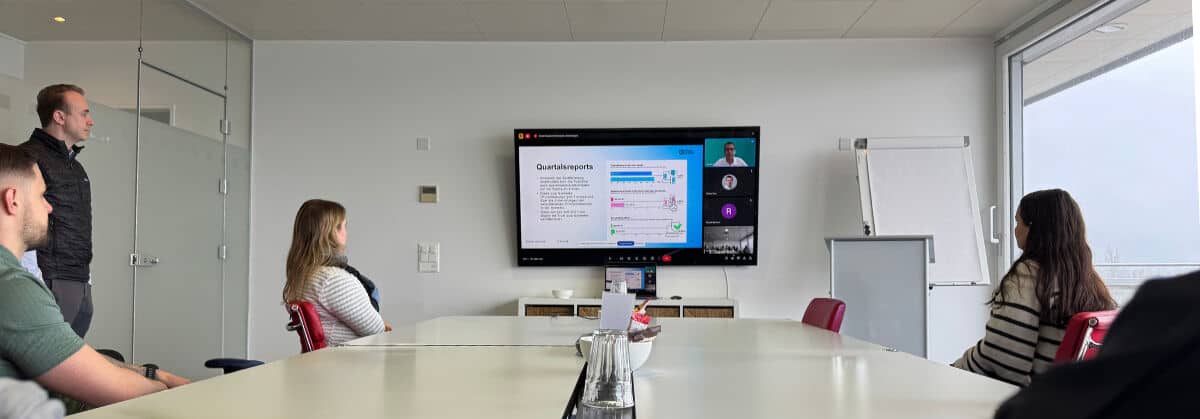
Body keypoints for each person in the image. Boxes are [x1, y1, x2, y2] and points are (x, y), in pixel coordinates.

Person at [0, 145, 189, 410]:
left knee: (111, 358)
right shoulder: (13, 288)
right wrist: (171, 392)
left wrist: (152, 373)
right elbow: (127, 394)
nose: (49, 207)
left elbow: (69, 353)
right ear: (13, 200)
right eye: (42, 195)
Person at [952, 189, 1116, 387]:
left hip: (1032, 399)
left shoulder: (1028, 277)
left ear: (1034, 228)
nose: (1015, 230)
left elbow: (1000, 357)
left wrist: (953, 370)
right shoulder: (1089, 282)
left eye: (1018, 222)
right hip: (1070, 397)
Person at [993, 270, 1200, 419]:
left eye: (1018, 224)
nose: (1015, 230)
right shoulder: (1089, 278)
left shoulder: (1169, 303)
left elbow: (1005, 362)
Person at [19, 84, 95, 338]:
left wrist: (87, 280)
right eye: (84, 113)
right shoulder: (27, 157)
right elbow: (20, 223)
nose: (90, 121)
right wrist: (34, 281)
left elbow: (78, 225)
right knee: (41, 359)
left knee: (70, 360)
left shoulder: (77, 168)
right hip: (48, 281)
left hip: (79, 283)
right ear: (60, 117)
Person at [283, 199, 390, 346]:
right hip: (348, 358)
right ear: (332, 232)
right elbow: (376, 330)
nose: (346, 232)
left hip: (329, 357)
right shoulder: (333, 280)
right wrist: (383, 325)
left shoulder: (302, 276)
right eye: (344, 226)